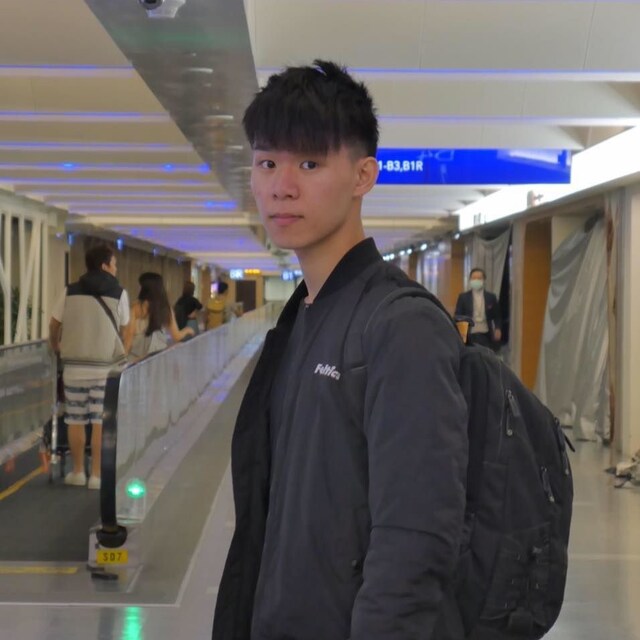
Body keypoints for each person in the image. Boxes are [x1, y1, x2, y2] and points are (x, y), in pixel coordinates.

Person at [212, 60, 468, 640]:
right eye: (267, 162)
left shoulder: (401, 326)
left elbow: (416, 539)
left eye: (309, 163)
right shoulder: (302, 317)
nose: (281, 185)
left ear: (363, 176)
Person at [49, 244, 130, 490]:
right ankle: (96, 475)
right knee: (99, 421)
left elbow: (54, 324)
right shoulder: (119, 293)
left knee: (75, 419)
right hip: (105, 369)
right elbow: (126, 328)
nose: (115, 269)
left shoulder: (70, 290)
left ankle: (77, 472)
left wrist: (56, 345)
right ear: (105, 266)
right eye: (114, 264)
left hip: (74, 367)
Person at [124, 272, 194, 359]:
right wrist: (188, 330)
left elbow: (129, 337)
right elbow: (176, 336)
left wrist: (122, 358)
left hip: (137, 358)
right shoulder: (166, 309)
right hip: (158, 357)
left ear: (146, 288)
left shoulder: (136, 307)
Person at [454, 267, 502, 350]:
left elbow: (497, 316)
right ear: (470, 280)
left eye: (479, 278)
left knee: (485, 355)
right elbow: (458, 316)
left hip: (486, 333)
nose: (476, 280)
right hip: (469, 333)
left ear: (484, 280)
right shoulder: (463, 297)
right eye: (474, 278)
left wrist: (498, 328)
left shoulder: (491, 297)